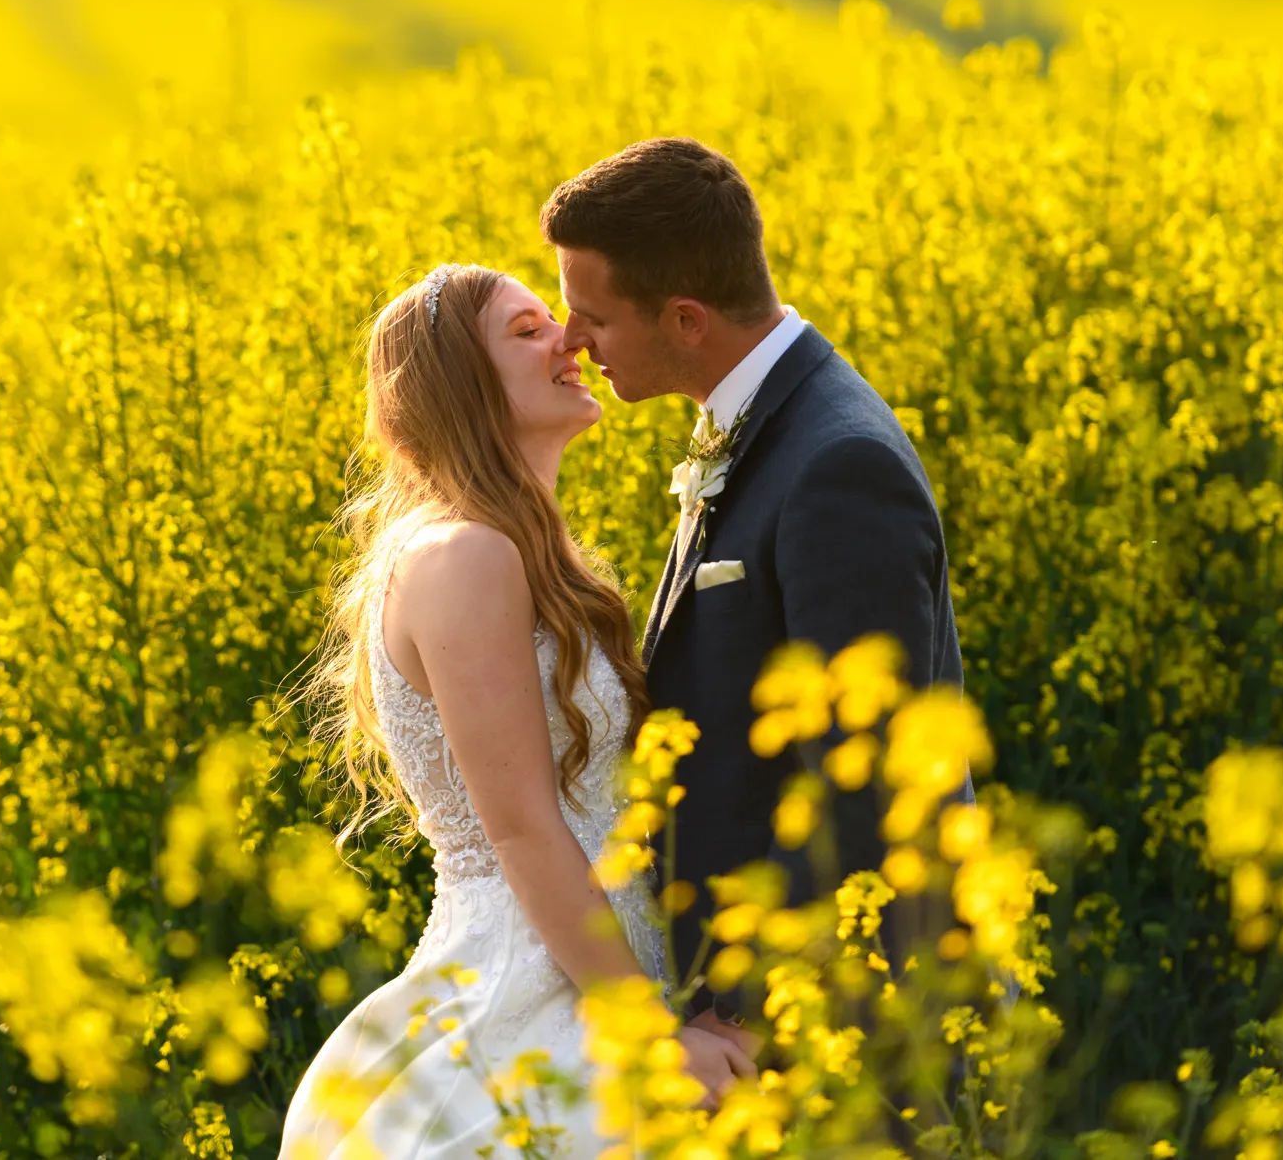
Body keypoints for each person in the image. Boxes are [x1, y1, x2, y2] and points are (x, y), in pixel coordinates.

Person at [279, 264, 752, 1159]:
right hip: (533, 994)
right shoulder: (464, 556)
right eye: (528, 330)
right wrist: (650, 1040)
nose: (569, 339)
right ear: (464, 385)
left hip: (600, 964)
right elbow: (523, 828)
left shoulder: (522, 551)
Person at [545, 136, 966, 1052]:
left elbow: (861, 773)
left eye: (594, 317)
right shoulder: (762, 421)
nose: (571, 339)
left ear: (686, 320)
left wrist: (740, 1008)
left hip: (844, 1020)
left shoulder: (838, 464)